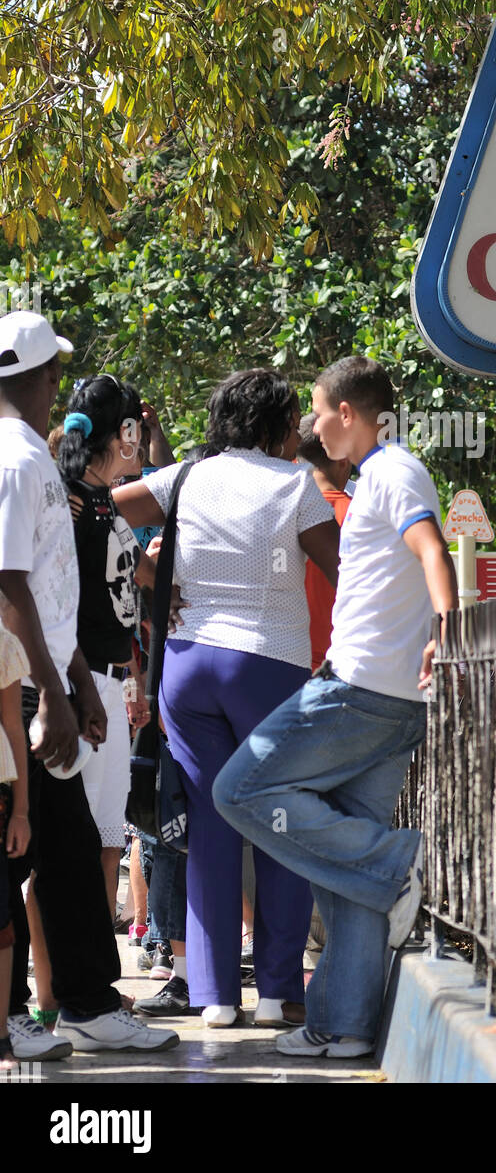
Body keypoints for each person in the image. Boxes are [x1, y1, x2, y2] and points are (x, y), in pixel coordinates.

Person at [213, 356, 458, 1060]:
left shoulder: (392, 472)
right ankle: (344, 1025)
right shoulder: (375, 476)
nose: (311, 426)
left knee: (239, 789)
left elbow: (430, 549)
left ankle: (401, 860)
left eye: (317, 412)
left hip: (363, 693)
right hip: (373, 687)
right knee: (344, 860)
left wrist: (448, 628)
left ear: (346, 413)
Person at [113, 369, 340, 1028]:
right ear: (273, 425)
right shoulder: (293, 482)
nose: (299, 433)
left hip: (186, 667)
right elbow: (339, 568)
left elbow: (106, 512)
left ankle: (212, 997)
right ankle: (274, 991)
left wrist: (154, 576)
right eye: (293, 421)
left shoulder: (183, 477)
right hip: (265, 667)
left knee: (209, 826)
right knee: (276, 820)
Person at [0, 310, 179, 1056]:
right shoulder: (14, 462)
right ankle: (35, 1010)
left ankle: (80, 1001)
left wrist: (78, 680)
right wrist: (53, 689)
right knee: (30, 851)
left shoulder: (31, 459)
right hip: (23, 684)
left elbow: (54, 585)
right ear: (40, 379)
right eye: (52, 373)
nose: (55, 386)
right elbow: (9, 583)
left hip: (51, 679)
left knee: (66, 851)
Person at [56, 375, 155, 921]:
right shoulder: (69, 501)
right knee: (69, 842)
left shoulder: (104, 502)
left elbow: (144, 578)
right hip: (78, 685)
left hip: (111, 686)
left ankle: (91, 976)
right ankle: (55, 989)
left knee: (109, 834)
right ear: (123, 431)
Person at [296, 414, 353, 672]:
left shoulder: (279, 510)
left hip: (286, 659)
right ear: (343, 459)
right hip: (347, 663)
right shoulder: (363, 514)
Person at [0, 617, 30, 1072]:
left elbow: (13, 726)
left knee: (1, 921)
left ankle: (2, 1036)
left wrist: (22, 811)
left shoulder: (2, 643)